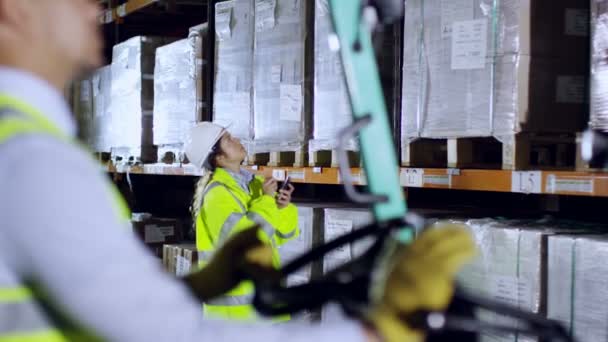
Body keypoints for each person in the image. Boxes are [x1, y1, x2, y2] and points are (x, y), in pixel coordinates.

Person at [0, 0, 476, 341]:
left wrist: (201, 283)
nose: (92, 5)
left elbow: (99, 304)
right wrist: (375, 331)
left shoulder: (28, 148)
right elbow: (166, 332)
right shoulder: (34, 163)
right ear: (13, 10)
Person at [187, 122, 298, 321]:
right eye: (228, 140)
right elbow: (246, 242)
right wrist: (265, 200)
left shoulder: (255, 184)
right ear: (219, 157)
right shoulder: (217, 196)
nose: (237, 140)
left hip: (265, 306)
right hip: (236, 318)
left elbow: (283, 235)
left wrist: (282, 206)